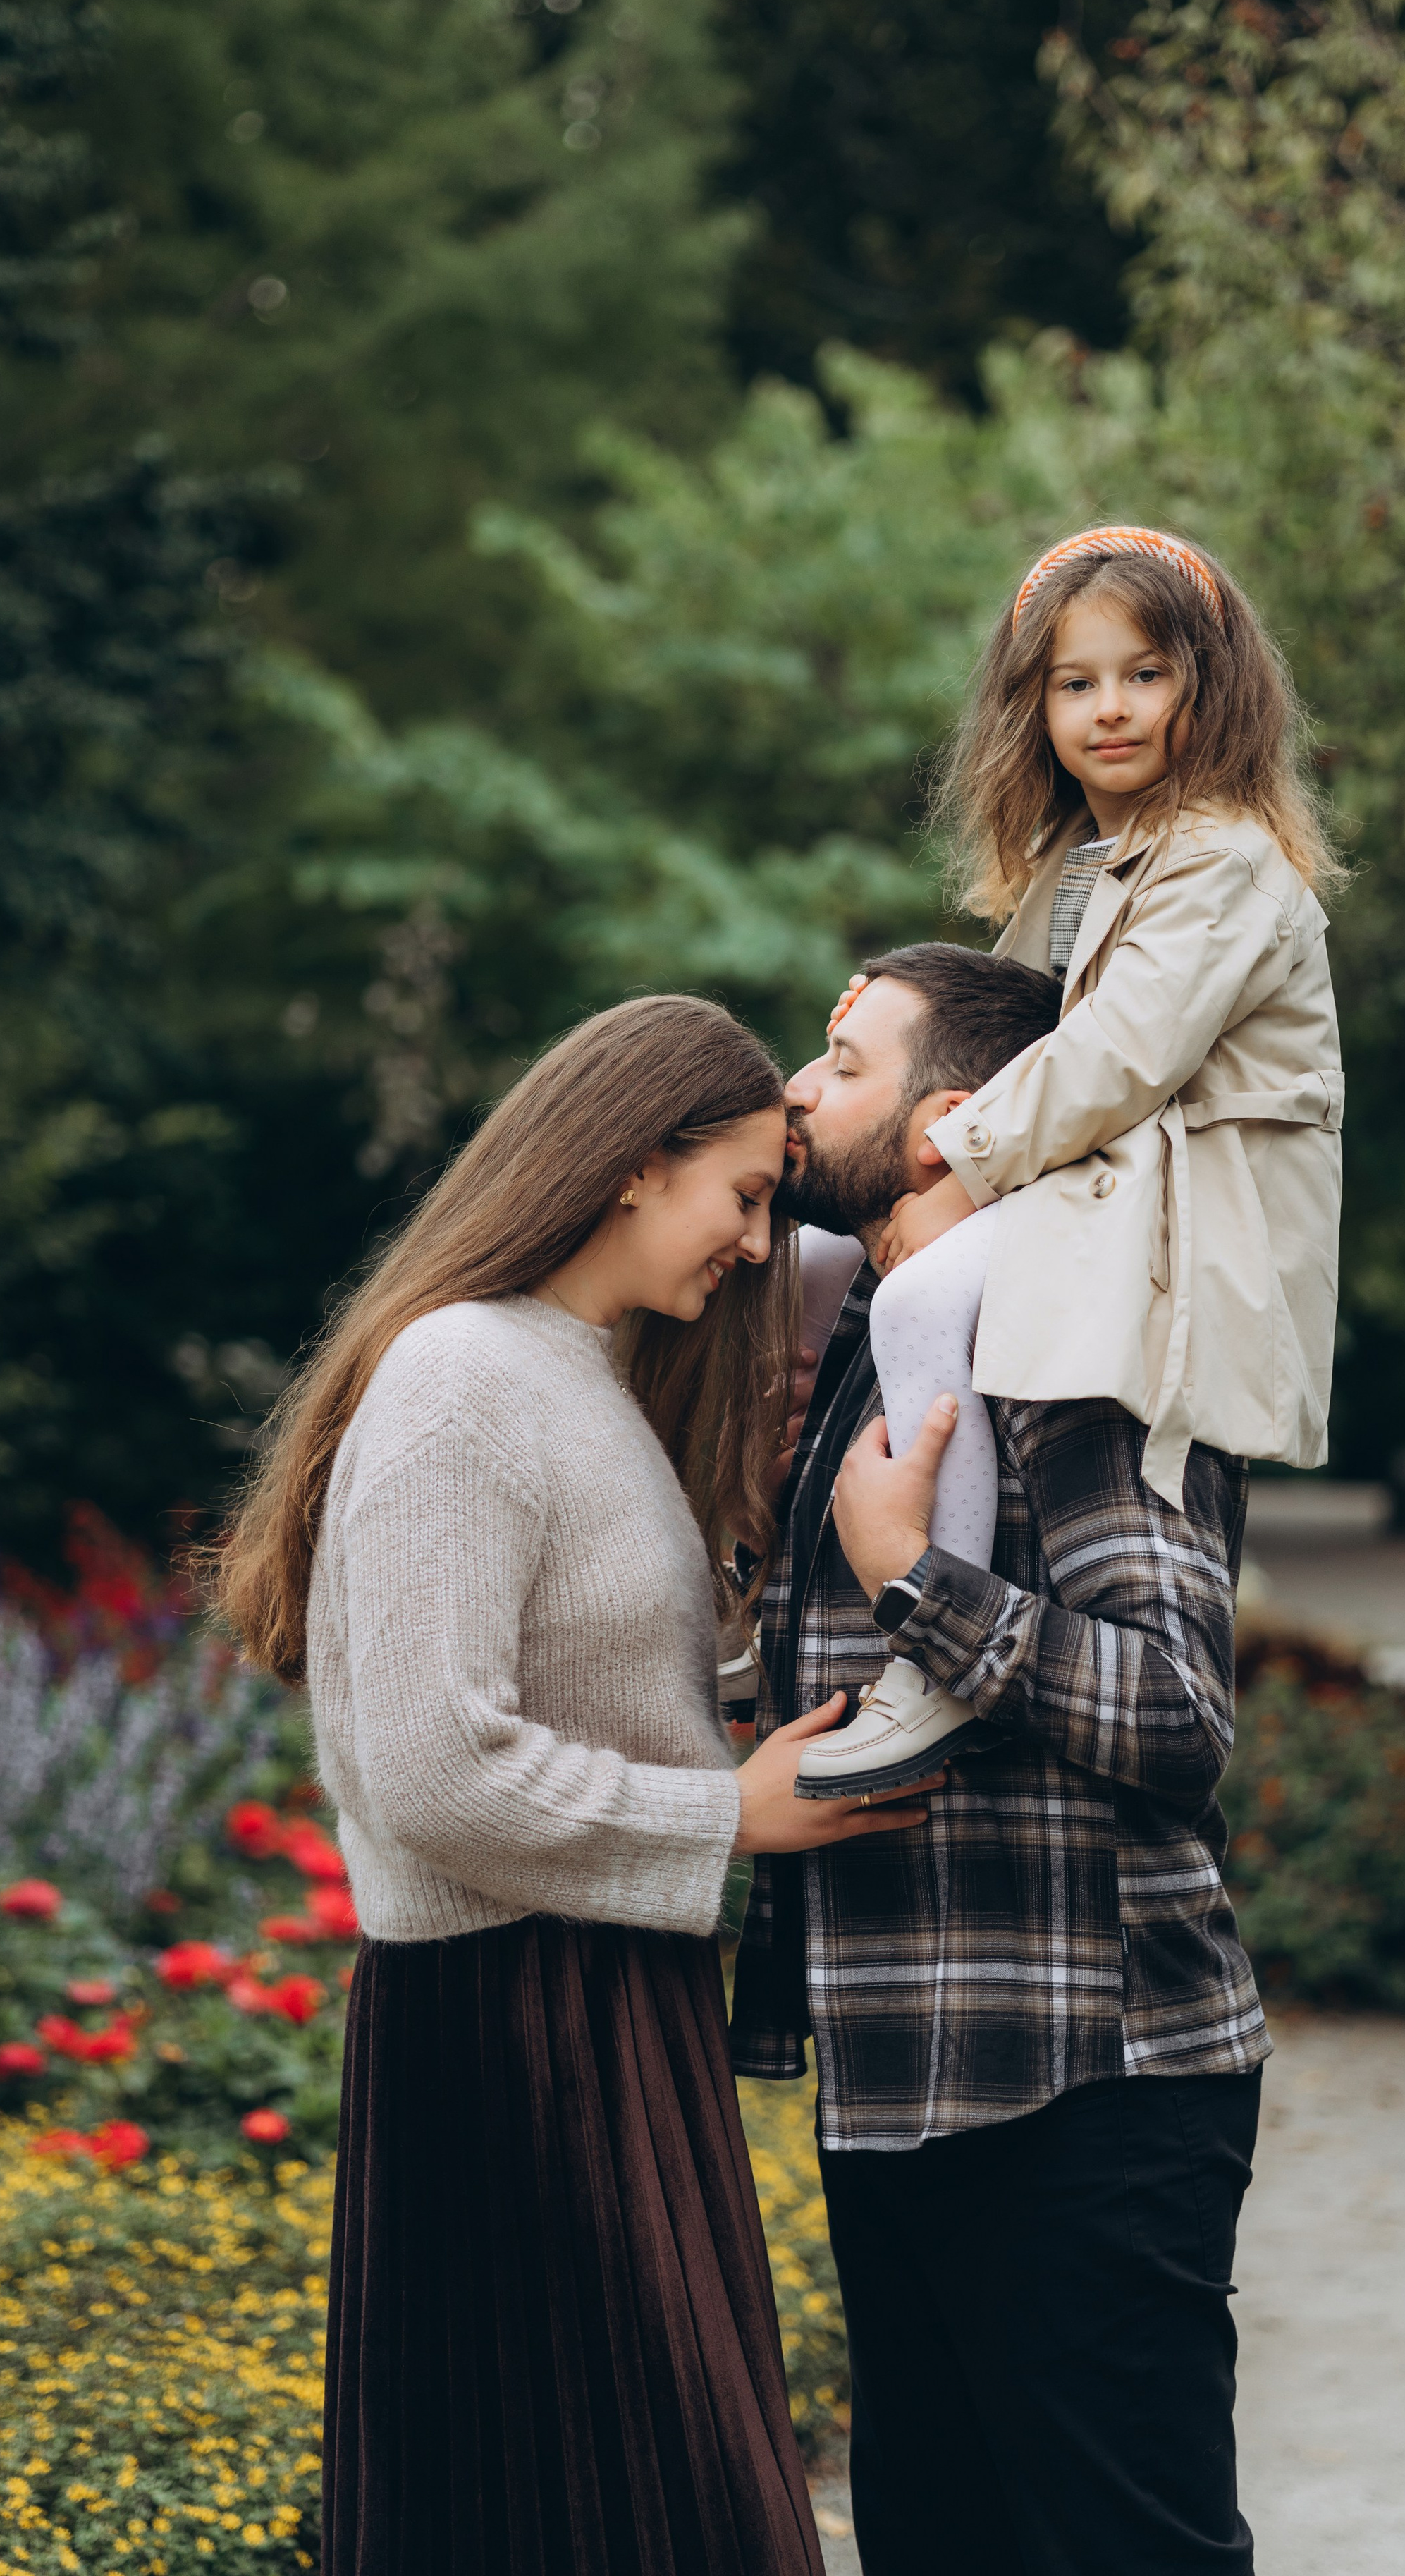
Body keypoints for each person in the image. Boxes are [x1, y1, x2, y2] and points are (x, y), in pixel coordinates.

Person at [212, 994, 940, 2576]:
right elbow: (422, 1762)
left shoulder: (579, 1377)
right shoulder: (459, 1376)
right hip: (508, 2030)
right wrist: (724, 1817)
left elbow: (588, 1693)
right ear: (628, 1164)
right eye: (742, 1196)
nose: (757, 1246)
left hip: (606, 2006)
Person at [730, 939, 1272, 2575]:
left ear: (944, 1121)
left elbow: (1181, 1718)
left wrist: (917, 1583)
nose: (791, 1090)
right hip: (903, 2072)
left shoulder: (1072, 1339)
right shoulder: (875, 1342)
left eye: (837, 1062)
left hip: (1079, 2089)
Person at [792, 523, 1344, 1800]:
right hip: (1090, 1190)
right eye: (1074, 681)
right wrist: (900, 999)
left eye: (1145, 674)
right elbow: (1005, 1030)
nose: (1110, 709)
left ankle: (934, 1640)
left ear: (1211, 688)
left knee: (922, 1292)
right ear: (1031, 705)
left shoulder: (1227, 864)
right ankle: (747, 1557)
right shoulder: (1070, 873)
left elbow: (1114, 1059)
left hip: (1180, 1229)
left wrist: (948, 1165)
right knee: (809, 1247)